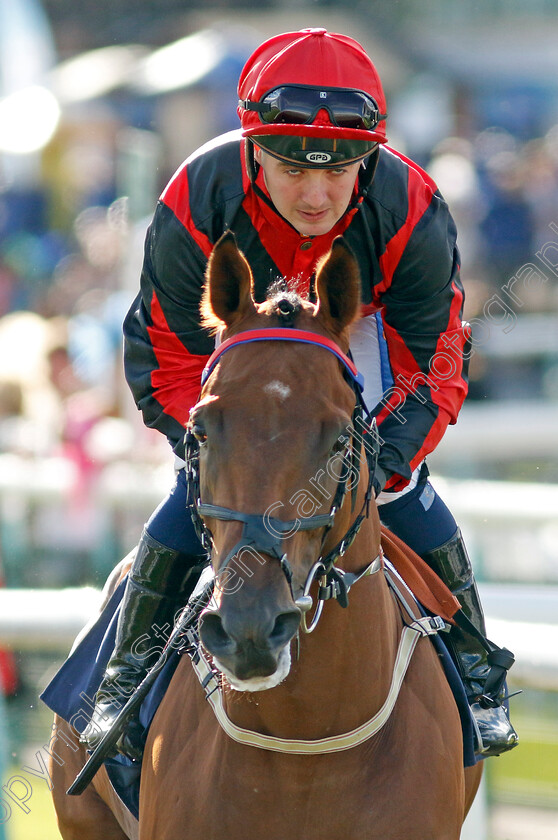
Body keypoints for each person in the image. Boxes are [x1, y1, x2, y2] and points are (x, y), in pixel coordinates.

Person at [81, 28, 518, 759]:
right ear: (252, 146)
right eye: (292, 169)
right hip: (237, 357)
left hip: (361, 339)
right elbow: (162, 350)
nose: (317, 194)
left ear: (368, 156)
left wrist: (379, 462)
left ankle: (477, 674)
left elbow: (434, 362)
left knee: (400, 496)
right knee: (204, 493)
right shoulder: (196, 195)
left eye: (341, 170)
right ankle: (122, 680)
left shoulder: (409, 204)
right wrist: (216, 448)